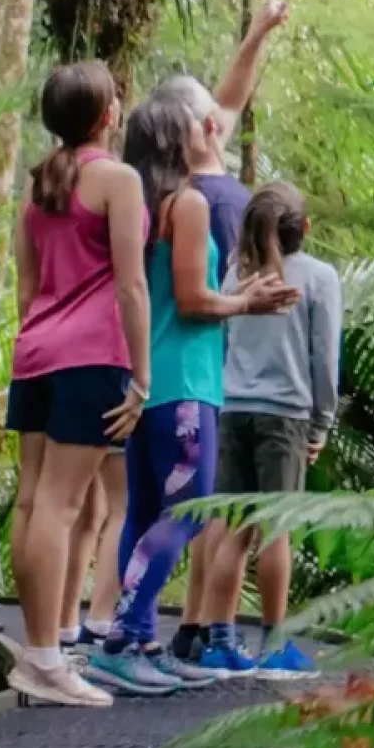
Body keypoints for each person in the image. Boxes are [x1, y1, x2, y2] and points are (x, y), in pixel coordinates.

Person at [84, 89, 296, 698]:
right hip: (186, 384)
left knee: (148, 514)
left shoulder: (139, 207)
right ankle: (124, 636)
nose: (212, 131)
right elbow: (194, 300)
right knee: (188, 511)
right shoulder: (190, 207)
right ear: (179, 141)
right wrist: (247, 301)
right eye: (198, 128)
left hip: (146, 379)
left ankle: (140, 636)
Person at [3, 61, 149, 709]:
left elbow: (27, 290)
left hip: (34, 350)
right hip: (91, 356)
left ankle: (39, 649)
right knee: (62, 504)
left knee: (34, 501)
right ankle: (44, 658)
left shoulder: (38, 189)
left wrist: (37, 342)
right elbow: (130, 284)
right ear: (107, 114)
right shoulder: (118, 179)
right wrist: (141, 377)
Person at [154, 0, 289, 649]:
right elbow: (220, 290)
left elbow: (229, 98)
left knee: (205, 505)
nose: (225, 119)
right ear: (203, 128)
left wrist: (259, 30)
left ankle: (189, 625)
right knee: (222, 509)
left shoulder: (169, 187)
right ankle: (207, 630)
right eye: (216, 119)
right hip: (219, 368)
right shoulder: (214, 205)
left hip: (198, 371)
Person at [217, 184, 342, 675]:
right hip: (285, 415)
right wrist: (322, 423)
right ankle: (275, 644)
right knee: (276, 531)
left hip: (232, 408)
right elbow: (324, 356)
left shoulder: (235, 275)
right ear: (305, 228)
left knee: (233, 526)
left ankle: (218, 639)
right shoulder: (319, 277)